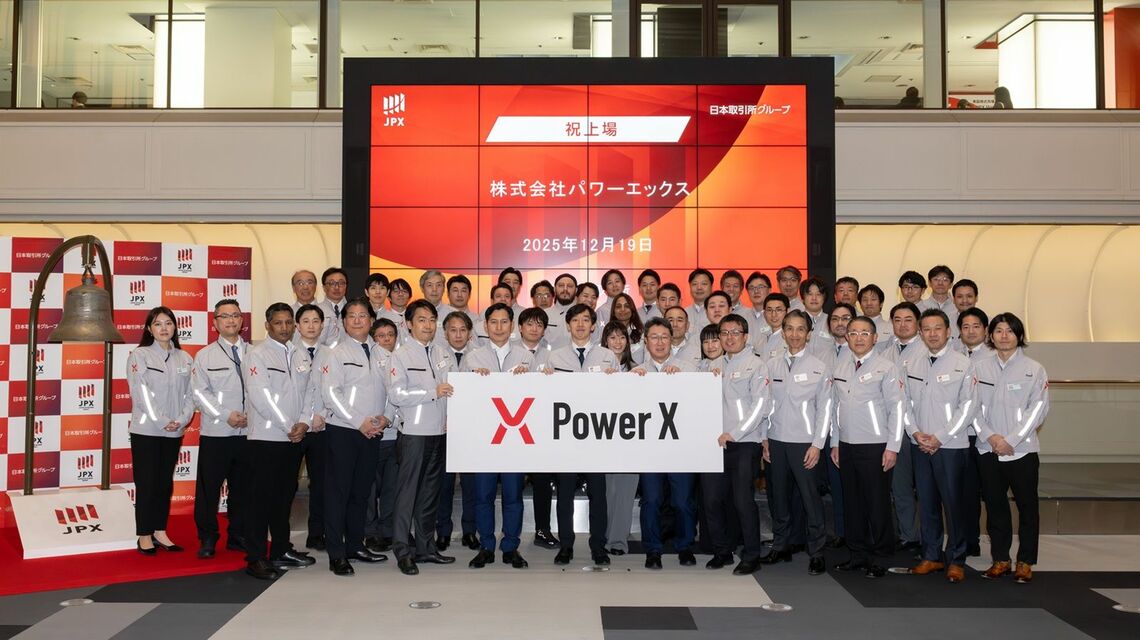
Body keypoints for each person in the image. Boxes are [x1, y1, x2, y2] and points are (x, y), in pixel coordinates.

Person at [242, 303, 318, 579]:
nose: (284, 328)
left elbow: (310, 391)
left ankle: (281, 549)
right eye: (278, 323)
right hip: (266, 438)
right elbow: (260, 396)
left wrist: (304, 422)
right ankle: (255, 557)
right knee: (260, 500)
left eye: (288, 322)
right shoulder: (257, 354)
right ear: (268, 325)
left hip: (293, 438)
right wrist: (289, 425)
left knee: (284, 497)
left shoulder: (300, 353)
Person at [973, 313, 1049, 584]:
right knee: (995, 507)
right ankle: (1000, 559)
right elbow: (971, 408)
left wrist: (1011, 440)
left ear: (1019, 335)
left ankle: (1025, 561)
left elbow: (1037, 410)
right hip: (988, 449)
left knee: (1028, 507)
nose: (1004, 336)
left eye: (1009, 331)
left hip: (1022, 451)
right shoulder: (979, 368)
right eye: (999, 331)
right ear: (990, 336)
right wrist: (991, 437)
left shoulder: (1034, 369)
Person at [318, 298, 391, 576]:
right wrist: (358, 421)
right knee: (339, 494)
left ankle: (355, 546)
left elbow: (393, 390)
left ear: (371, 320)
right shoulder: (336, 353)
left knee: (361, 493)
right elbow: (330, 394)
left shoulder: (383, 353)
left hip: (373, 432)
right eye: (352, 316)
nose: (358, 320)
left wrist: (387, 417)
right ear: (343, 322)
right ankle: (336, 553)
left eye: (363, 315)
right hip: (344, 432)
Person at [830, 316, 906, 578]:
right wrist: (835, 443)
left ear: (874, 338)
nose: (859, 338)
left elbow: (897, 409)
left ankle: (881, 556)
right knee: (852, 503)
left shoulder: (887, 368)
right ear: (847, 337)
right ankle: (857, 554)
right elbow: (835, 409)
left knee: (877, 503)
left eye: (864, 333)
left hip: (876, 446)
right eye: (853, 333)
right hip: (846, 445)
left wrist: (893, 447)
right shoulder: (840, 367)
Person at [541, 303, 616, 566]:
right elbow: (546, 396)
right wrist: (544, 379)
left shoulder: (608, 356)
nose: (581, 325)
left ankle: (598, 546)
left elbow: (620, 397)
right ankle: (566, 545)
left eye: (586, 320)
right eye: (575, 320)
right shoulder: (555, 357)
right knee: (564, 495)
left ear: (594, 325)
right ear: (568, 325)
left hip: (597, 435)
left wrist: (616, 380)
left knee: (598, 494)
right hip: (566, 436)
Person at [905, 309, 978, 584]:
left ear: (948, 332)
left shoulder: (963, 364)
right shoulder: (911, 364)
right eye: (927, 329)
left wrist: (941, 437)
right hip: (920, 444)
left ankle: (956, 559)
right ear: (920, 333)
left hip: (950, 446)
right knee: (926, 503)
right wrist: (915, 433)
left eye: (938, 328)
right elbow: (904, 403)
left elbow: (968, 407)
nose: (932, 334)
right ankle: (932, 555)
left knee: (953, 504)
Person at [388, 299, 458, 575]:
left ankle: (426, 547)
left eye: (431, 320)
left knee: (430, 494)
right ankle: (402, 550)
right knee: (407, 495)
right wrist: (431, 393)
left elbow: (457, 388)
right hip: (414, 435)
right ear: (408, 324)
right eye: (421, 320)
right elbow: (396, 395)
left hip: (440, 433)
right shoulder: (401, 355)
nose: (428, 325)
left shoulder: (443, 353)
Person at [463, 303, 534, 569]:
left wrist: (533, 378)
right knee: (483, 496)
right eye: (493, 322)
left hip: (515, 438)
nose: (499, 327)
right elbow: (465, 398)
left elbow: (538, 395)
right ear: (485, 326)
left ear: (512, 326)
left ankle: (511, 546)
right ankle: (486, 546)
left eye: (504, 322)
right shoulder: (473, 358)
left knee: (513, 496)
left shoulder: (526, 357)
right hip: (485, 439)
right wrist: (474, 380)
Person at [759, 310, 830, 575]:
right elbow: (766, 404)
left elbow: (825, 409)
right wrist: (764, 438)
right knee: (778, 497)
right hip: (776, 441)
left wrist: (817, 444)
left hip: (804, 443)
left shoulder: (819, 367)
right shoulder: (772, 364)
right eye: (789, 328)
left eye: (800, 329)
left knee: (810, 499)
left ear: (809, 334)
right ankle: (781, 545)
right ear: (783, 332)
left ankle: (817, 551)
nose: (794, 334)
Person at [126, 306, 195, 555]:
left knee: (165, 483)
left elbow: (192, 393)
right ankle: (144, 534)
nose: (164, 328)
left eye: (168, 323)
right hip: (147, 429)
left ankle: (159, 530)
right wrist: (162, 420)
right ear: (149, 329)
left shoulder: (184, 358)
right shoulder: (140, 355)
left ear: (175, 327)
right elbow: (140, 391)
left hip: (174, 430)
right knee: (147, 482)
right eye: (158, 324)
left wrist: (182, 419)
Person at [631, 318, 698, 569]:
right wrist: (630, 384)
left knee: (682, 501)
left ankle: (685, 546)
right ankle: (652, 550)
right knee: (651, 500)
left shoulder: (689, 370)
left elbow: (700, 402)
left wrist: (683, 381)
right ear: (645, 341)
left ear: (672, 340)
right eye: (654, 337)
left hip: (681, 448)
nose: (659, 342)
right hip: (649, 450)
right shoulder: (636, 372)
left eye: (664, 337)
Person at [707, 313, 770, 576]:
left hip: (745, 443)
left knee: (743, 500)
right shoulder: (712, 365)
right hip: (715, 445)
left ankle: (752, 555)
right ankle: (722, 551)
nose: (729, 338)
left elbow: (760, 407)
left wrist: (734, 433)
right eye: (724, 333)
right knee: (712, 500)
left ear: (746, 336)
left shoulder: (757, 365)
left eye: (735, 333)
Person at [190, 299, 249, 559]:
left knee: (244, 489)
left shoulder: (255, 353)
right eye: (224, 316)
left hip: (249, 433)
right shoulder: (205, 355)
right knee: (208, 490)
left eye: (235, 315)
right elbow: (199, 394)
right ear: (215, 323)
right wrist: (226, 415)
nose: (230, 320)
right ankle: (208, 537)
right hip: (217, 433)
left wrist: (251, 416)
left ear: (242, 320)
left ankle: (238, 536)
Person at [434, 311, 478, 552]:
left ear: (470, 333)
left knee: (471, 485)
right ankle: (443, 531)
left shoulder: (480, 357)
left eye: (463, 330)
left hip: (471, 432)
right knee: (444, 485)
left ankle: (469, 531)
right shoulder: (435, 356)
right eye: (453, 330)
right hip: (443, 429)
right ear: (445, 333)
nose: (458, 335)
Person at [884, 301, 923, 552]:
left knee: (927, 489)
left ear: (917, 323)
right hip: (896, 432)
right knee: (900, 487)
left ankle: (929, 538)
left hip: (923, 430)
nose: (902, 324)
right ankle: (909, 535)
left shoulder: (926, 352)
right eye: (897, 320)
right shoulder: (885, 352)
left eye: (908, 319)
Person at [599, 321, 638, 557]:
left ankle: (618, 541)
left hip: (631, 440)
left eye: (622, 337)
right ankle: (602, 536)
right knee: (607, 491)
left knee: (624, 492)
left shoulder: (638, 369)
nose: (617, 342)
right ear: (605, 342)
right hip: (602, 437)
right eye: (612, 338)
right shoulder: (595, 369)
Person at [364, 317, 400, 553]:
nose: (386, 340)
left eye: (390, 335)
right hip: (372, 433)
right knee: (369, 488)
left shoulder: (401, 359)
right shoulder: (367, 362)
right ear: (373, 338)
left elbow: (398, 395)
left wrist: (389, 418)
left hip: (395, 434)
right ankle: (370, 532)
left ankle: (389, 530)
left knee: (391, 488)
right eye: (381, 336)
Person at [295, 304, 330, 551]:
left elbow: (335, 389)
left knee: (321, 484)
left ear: (322, 325)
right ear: (297, 326)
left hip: (322, 427)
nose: (311, 325)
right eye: (305, 321)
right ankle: (282, 538)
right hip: (295, 427)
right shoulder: (289, 352)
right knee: (288, 482)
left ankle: (316, 533)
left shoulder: (331, 354)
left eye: (316, 321)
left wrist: (323, 415)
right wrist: (303, 419)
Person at [606, 292, 645, 364]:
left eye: (627, 306)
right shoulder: (607, 332)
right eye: (618, 306)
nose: (622, 309)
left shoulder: (642, 333)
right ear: (613, 311)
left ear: (632, 310)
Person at [318, 267, 349, 346]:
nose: (337, 287)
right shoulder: (316, 311)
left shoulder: (353, 310)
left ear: (346, 286)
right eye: (332, 283)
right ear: (324, 287)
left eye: (341, 283)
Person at [858, 284, 894, 350]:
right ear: (860, 304)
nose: (869, 303)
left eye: (873, 299)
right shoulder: (854, 328)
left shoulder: (891, 328)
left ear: (881, 304)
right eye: (865, 300)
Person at [755, 293, 789, 360]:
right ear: (764, 313)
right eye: (769, 310)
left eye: (778, 310)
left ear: (787, 312)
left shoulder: (791, 338)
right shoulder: (762, 336)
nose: (773, 315)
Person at [743, 272, 772, 338]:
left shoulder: (776, 317)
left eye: (760, 287)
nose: (756, 291)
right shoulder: (742, 317)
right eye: (752, 288)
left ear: (769, 290)